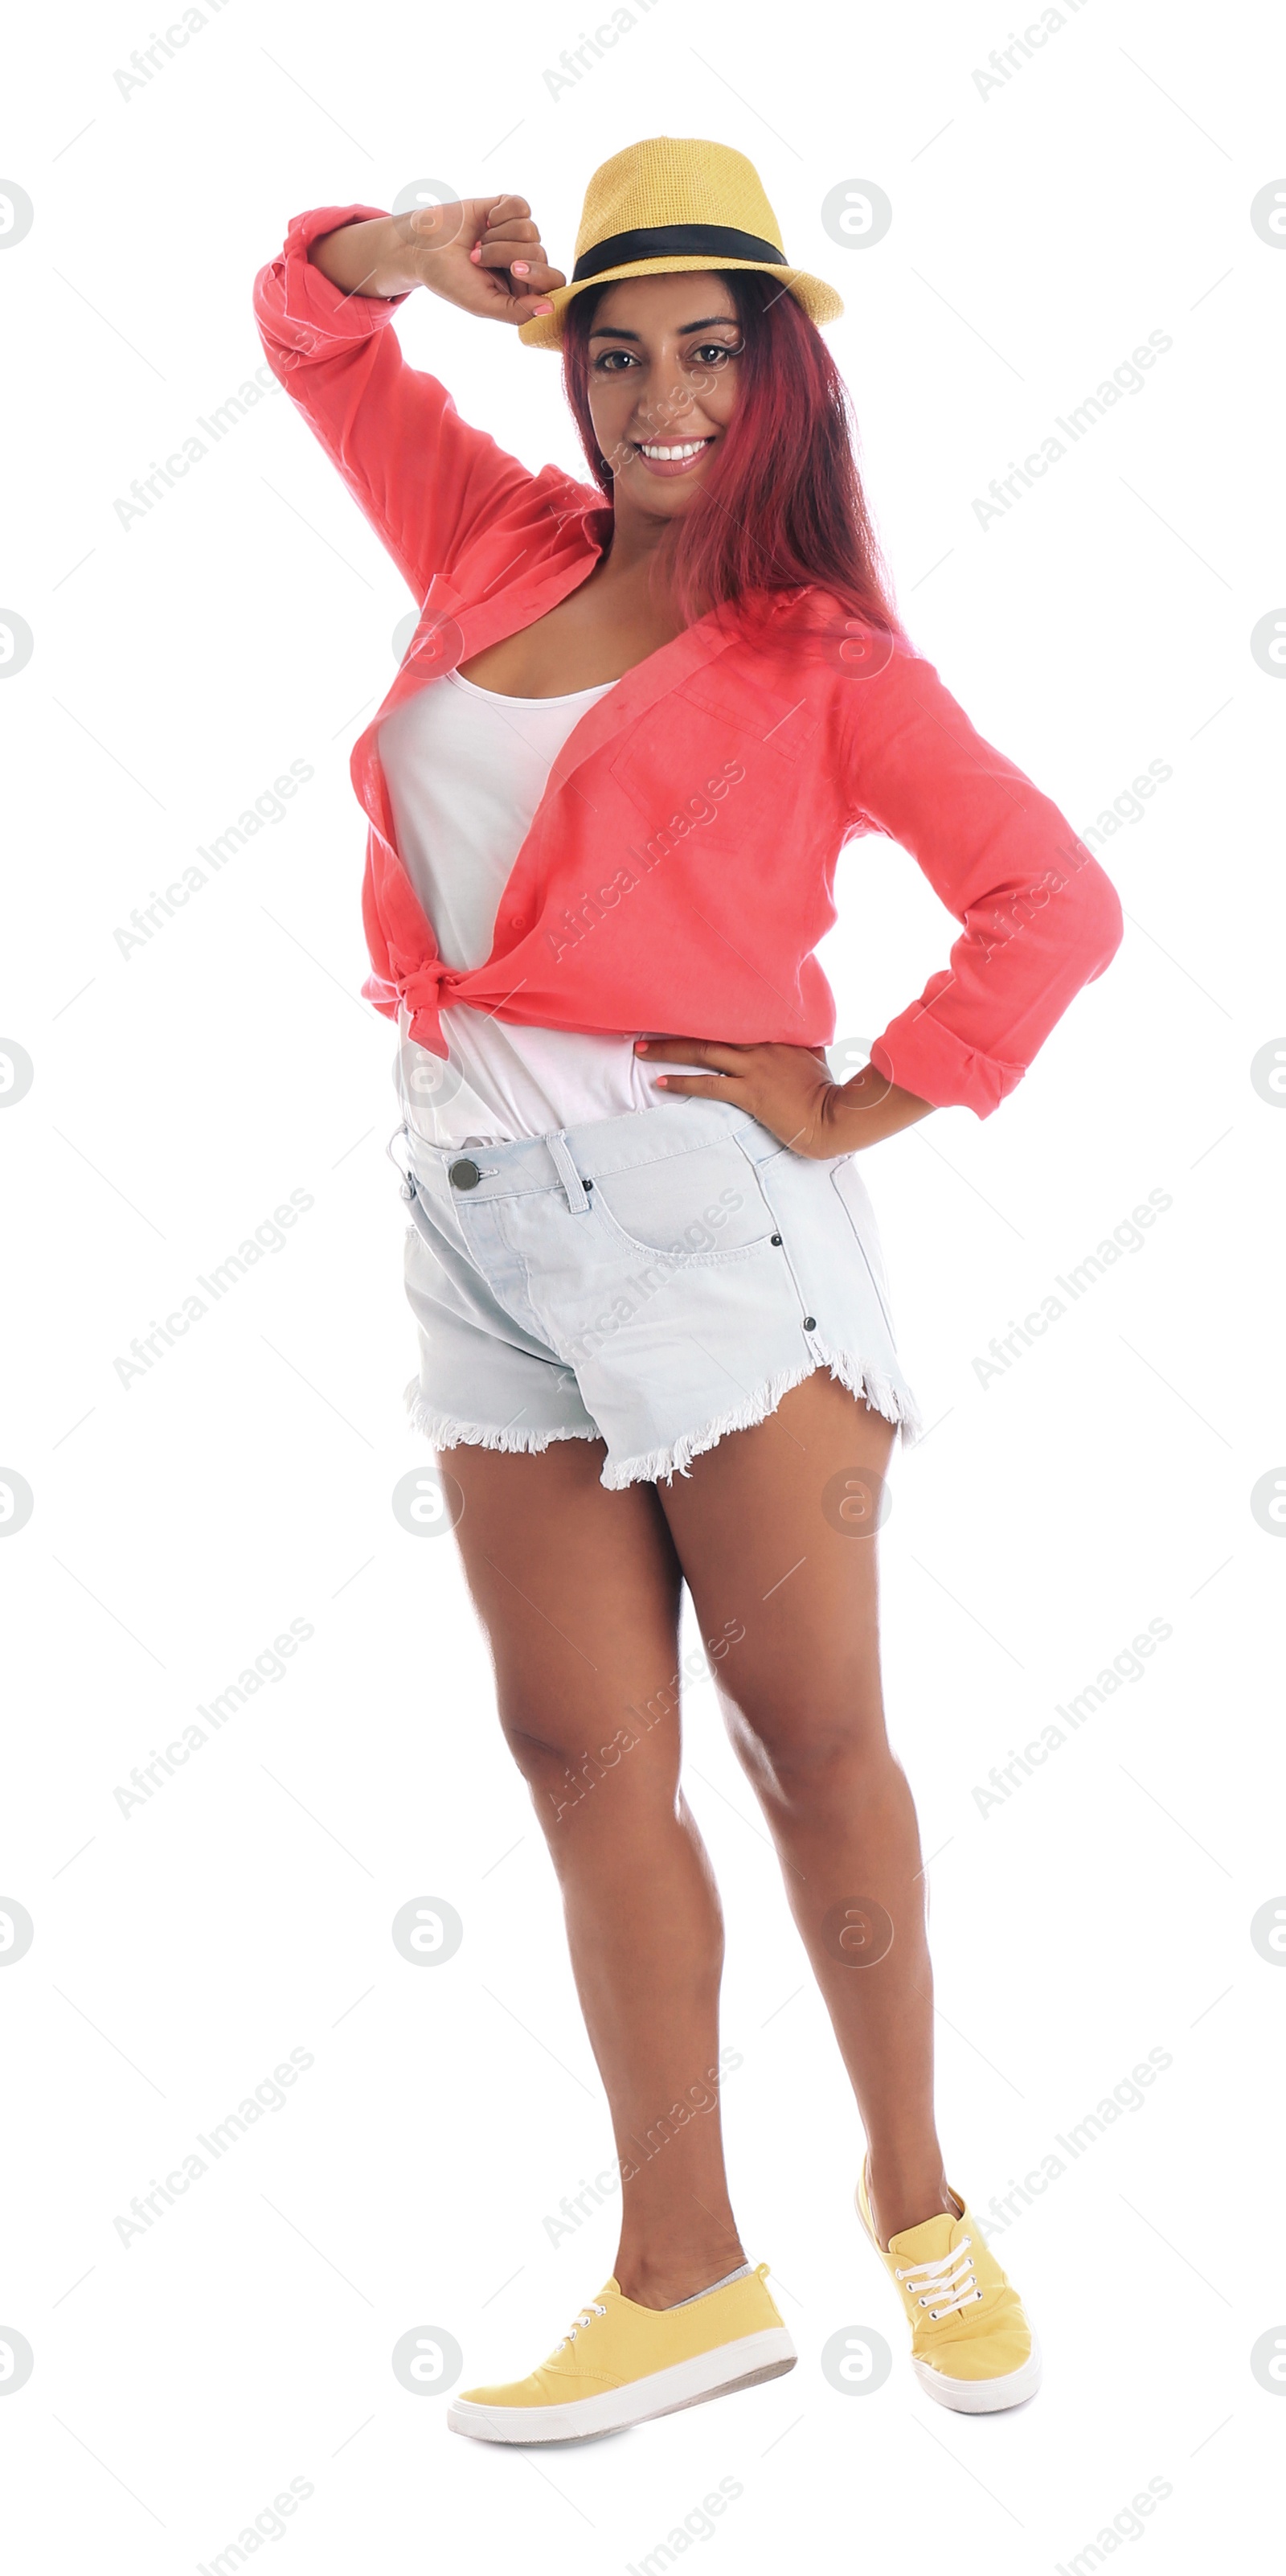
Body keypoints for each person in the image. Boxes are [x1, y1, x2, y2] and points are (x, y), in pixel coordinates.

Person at [254, 136, 1122, 2446]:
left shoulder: (823, 658)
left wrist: (864, 1098)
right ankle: (681, 2274)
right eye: (616, 352)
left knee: (809, 1743)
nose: (655, 396)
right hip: (469, 1213)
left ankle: (923, 2208)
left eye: (704, 352)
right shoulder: (494, 542)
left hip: (709, 1229)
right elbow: (310, 330)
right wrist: (408, 256)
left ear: (779, 379)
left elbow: (1052, 902)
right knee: (576, 1753)